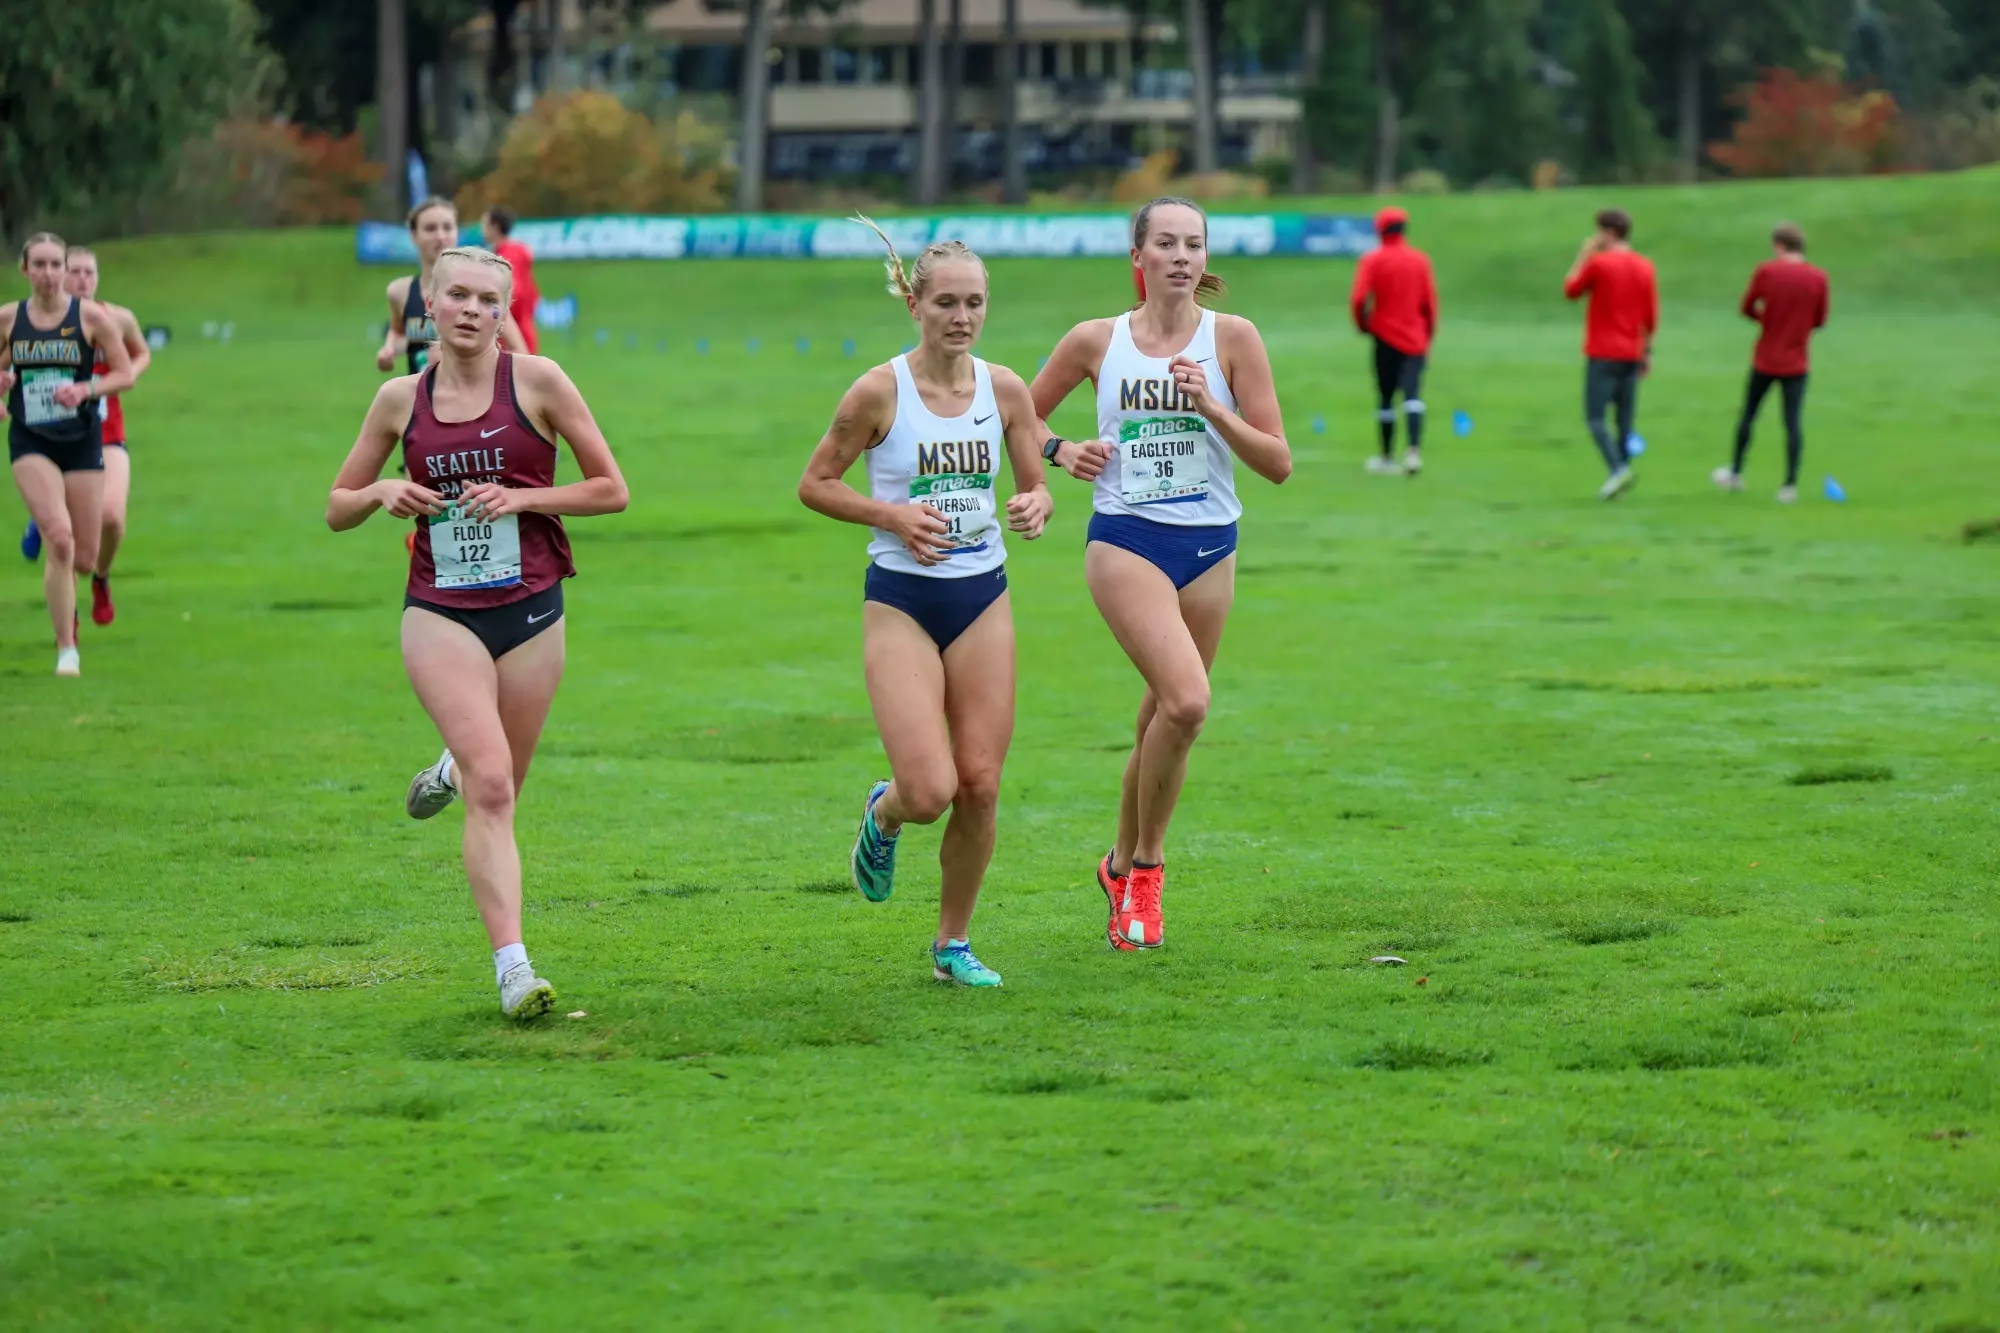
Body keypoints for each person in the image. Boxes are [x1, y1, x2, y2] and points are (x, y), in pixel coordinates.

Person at [327, 246, 628, 1019]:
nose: (469, 309)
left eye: (486, 299)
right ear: (427, 304)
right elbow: (337, 502)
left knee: (500, 786)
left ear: (504, 311)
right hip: (440, 610)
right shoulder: (400, 399)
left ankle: (451, 772)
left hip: (531, 608)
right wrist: (383, 489)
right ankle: (514, 969)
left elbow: (611, 490)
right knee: (494, 784)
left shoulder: (539, 381)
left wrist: (525, 500)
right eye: (454, 295)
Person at [798, 217, 1055, 988]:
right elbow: (816, 483)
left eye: (974, 302)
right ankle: (884, 811)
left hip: (982, 596)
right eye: (946, 301)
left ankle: (952, 945)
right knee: (931, 788)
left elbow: (1032, 481)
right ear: (914, 302)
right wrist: (892, 515)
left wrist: (1038, 503)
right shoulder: (880, 390)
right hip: (903, 600)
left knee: (980, 782)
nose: (962, 317)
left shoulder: (1005, 389)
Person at [1030, 196, 1292, 951]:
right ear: (1138, 258)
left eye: (1195, 244)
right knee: (1186, 702)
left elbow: (1276, 462)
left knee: (1159, 721)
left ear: (1205, 259)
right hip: (1125, 540)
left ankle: (1115, 867)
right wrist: (1058, 453)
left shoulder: (1234, 339)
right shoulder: (1095, 341)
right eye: (1167, 243)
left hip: (1211, 546)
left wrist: (1213, 405)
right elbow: (1018, 415)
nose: (1182, 256)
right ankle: (1147, 869)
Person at [0, 232, 136, 676]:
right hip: (30, 440)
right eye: (39, 264)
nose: (49, 274)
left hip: (81, 440)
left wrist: (86, 388)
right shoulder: (8, 319)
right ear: (25, 270)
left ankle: (87, 586)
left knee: (83, 556)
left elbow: (124, 373)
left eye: (56, 264)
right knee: (59, 537)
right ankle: (66, 650)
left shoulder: (91, 318)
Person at [62, 246, 152, 626]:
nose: (83, 278)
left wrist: (118, 377)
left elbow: (141, 354)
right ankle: (68, 622)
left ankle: (100, 578)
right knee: (64, 535)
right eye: (75, 271)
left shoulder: (115, 318)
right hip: (58, 437)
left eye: (90, 272)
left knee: (112, 517)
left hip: (108, 433)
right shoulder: (41, 325)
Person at [1713, 223, 1829, 504]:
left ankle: (1736, 472)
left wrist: (1767, 322)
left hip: (1766, 356)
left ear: (1779, 245)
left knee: (1749, 414)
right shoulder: (1817, 278)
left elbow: (1747, 307)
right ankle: (1789, 484)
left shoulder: (1767, 272)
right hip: (1797, 360)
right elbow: (1820, 319)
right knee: (1792, 422)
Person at [1563, 207, 1657, 501]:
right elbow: (1650, 316)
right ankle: (1622, 477)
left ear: (1610, 233)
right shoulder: (1645, 267)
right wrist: (1647, 351)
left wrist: (1583, 254)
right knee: (1624, 420)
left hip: (1603, 351)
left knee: (1595, 418)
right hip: (1632, 351)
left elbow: (1571, 290)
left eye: (1599, 231)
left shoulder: (1599, 264)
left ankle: (1617, 470)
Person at [375, 197, 524, 379]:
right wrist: (388, 350)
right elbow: (398, 332)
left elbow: (519, 350)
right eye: (430, 228)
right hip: (420, 401)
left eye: (447, 227)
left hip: (472, 401)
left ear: (456, 233)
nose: (440, 236)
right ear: (414, 236)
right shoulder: (399, 292)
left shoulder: (479, 290)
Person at [1349, 206, 1438, 476]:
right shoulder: (1420, 261)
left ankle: (1387, 457)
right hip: (1416, 339)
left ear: (1380, 230)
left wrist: (1364, 325)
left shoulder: (1372, 260)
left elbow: (1358, 299)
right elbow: (1430, 304)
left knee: (1386, 397)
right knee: (1413, 395)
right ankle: (1413, 453)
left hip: (1384, 337)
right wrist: (1427, 335)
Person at [483, 206, 541, 355]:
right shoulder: (514, 251)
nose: (482, 229)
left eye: (484, 224)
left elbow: (516, 293)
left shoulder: (508, 255)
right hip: (522, 327)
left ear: (494, 227)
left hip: (513, 335)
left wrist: (497, 320)